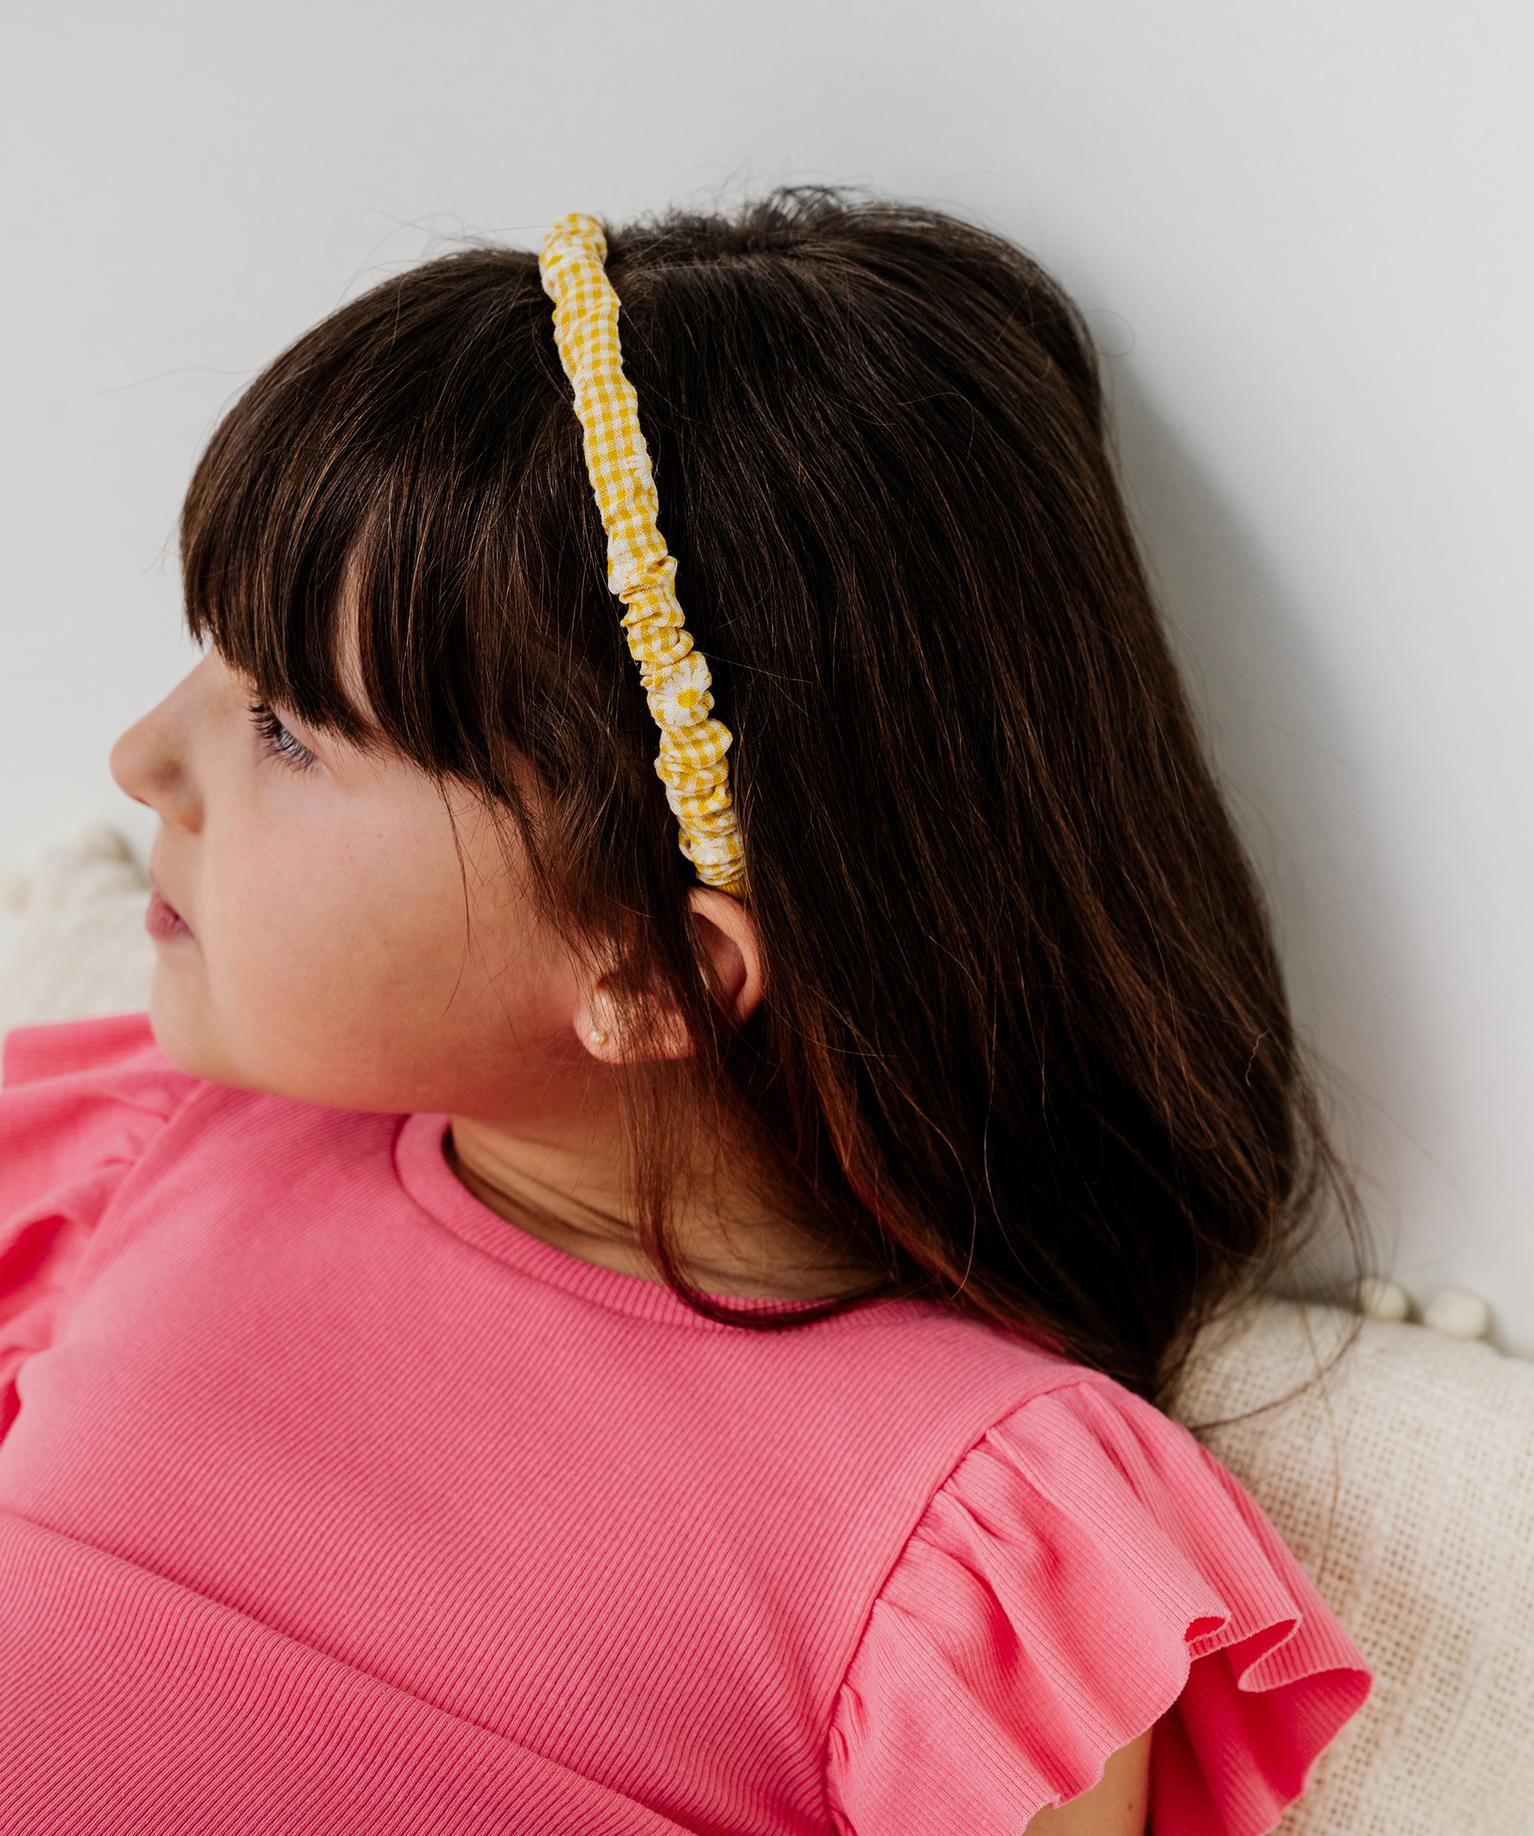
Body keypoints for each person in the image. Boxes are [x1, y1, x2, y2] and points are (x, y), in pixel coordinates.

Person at [0, 186, 1377, 1833]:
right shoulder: (137, 1161)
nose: (142, 758)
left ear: (653, 971)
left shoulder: (976, 1542)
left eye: (287, 725)